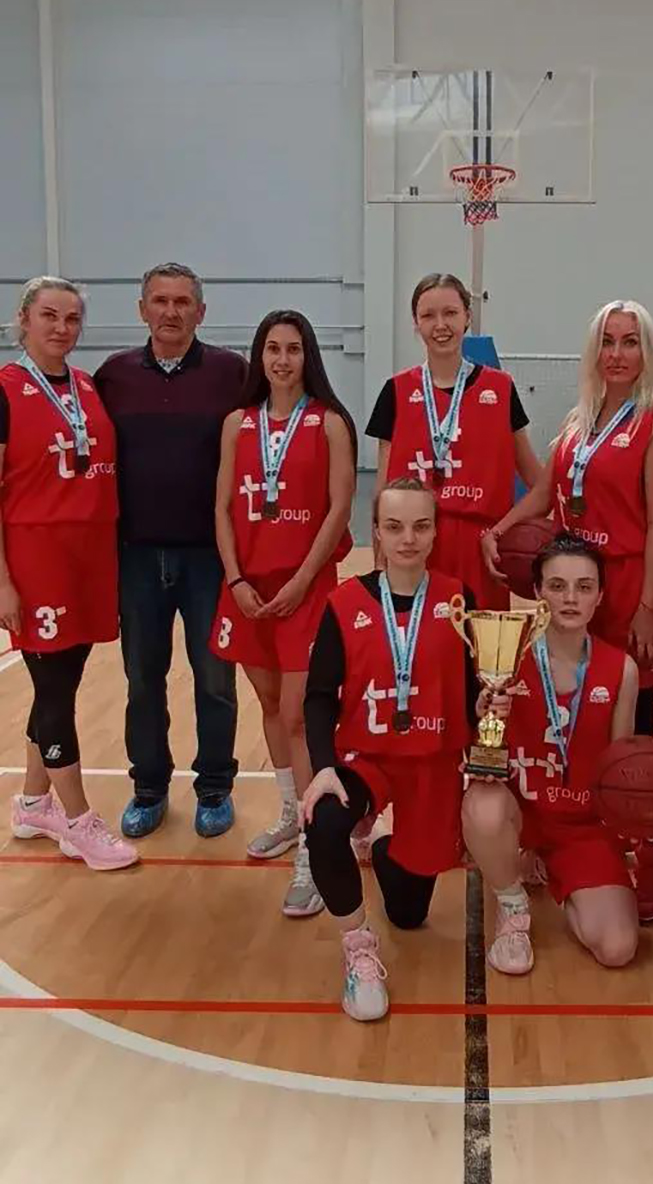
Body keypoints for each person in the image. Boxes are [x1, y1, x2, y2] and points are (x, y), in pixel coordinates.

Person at [482, 300, 653, 918]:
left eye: (630, 342)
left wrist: (647, 606)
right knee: (574, 713)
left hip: (629, 588)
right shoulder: (578, 423)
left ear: (647, 353)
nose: (617, 353)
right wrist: (499, 529)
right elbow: (545, 493)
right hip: (577, 586)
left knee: (637, 730)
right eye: (608, 341)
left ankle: (647, 851)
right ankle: (566, 830)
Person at [301, 477, 479, 1021]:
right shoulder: (344, 603)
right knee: (324, 822)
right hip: (366, 759)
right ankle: (358, 948)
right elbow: (318, 695)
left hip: (433, 761)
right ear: (376, 532)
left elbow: (471, 689)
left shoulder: (459, 599)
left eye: (421, 526)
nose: (408, 539)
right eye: (395, 526)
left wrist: (488, 718)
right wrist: (323, 767)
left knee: (408, 913)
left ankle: (379, 842)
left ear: (436, 531)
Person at [211, 310, 357, 916]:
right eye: (272, 348)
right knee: (270, 705)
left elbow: (340, 508)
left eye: (293, 349)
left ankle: (315, 852)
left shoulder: (330, 423)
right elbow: (222, 507)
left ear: (308, 356)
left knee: (299, 717)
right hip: (248, 591)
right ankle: (292, 814)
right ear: (260, 356)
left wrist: (302, 581)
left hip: (307, 590)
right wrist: (236, 578)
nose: (282, 359)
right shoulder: (236, 423)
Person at [95, 263, 247, 839]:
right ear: (142, 309)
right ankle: (149, 788)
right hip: (136, 556)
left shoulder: (232, 373)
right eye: (160, 300)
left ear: (200, 312)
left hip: (210, 557)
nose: (171, 311)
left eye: (183, 302)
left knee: (214, 680)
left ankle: (214, 788)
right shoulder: (113, 376)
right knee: (142, 680)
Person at [1, 277, 137, 870]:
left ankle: (34, 802)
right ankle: (79, 820)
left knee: (62, 682)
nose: (62, 327)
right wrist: (2, 581)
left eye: (72, 318)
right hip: (37, 558)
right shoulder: (4, 389)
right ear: (24, 319)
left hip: (89, 553)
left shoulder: (85, 386)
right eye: (49, 316)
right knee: (54, 688)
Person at [463, 534, 640, 974]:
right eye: (557, 586)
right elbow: (479, 750)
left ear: (600, 595)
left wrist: (631, 839)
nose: (570, 598)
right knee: (483, 807)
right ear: (538, 591)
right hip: (521, 815)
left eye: (584, 587)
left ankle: (561, 875)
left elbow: (618, 768)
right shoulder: (506, 654)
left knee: (617, 949)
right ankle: (512, 903)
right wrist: (485, 713)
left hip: (583, 827)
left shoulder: (622, 669)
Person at [365, 273, 542, 608]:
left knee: (478, 642)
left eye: (450, 313)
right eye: (428, 315)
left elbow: (539, 483)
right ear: (416, 323)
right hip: (414, 548)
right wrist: (378, 565)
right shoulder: (396, 391)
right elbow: (382, 490)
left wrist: (502, 532)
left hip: (480, 552)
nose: (440, 325)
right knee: (415, 641)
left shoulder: (500, 388)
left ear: (467, 316)